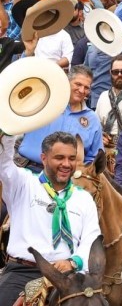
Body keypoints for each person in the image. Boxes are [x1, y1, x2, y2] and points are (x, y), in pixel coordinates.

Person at [0, 131, 101, 306]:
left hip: (68, 277)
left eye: (72, 158)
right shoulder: (24, 183)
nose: (66, 164)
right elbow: (4, 163)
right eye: (59, 158)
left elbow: (91, 241)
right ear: (44, 158)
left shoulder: (84, 198)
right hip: (23, 272)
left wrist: (73, 261)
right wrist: (9, 130)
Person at [17, 65, 104, 171]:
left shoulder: (92, 119)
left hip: (64, 178)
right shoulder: (45, 101)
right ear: (67, 82)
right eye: (78, 84)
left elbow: (94, 158)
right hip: (26, 167)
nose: (82, 90)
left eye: (86, 87)